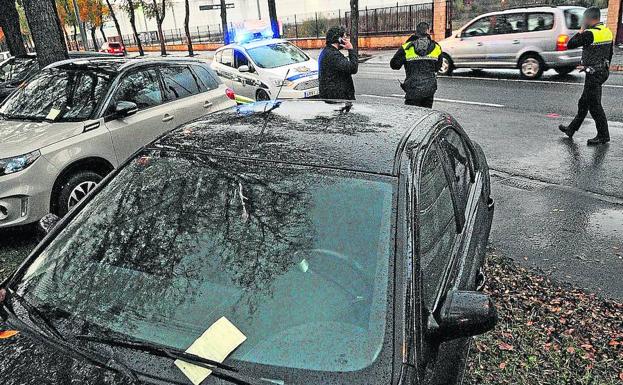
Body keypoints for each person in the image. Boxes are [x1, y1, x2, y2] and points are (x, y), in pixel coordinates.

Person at [559, 7, 614, 145]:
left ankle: (603, 135)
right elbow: (610, 53)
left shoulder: (590, 33)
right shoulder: (607, 32)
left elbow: (570, 44)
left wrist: (581, 29)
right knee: (584, 103)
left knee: (594, 106)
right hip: (601, 71)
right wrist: (602, 66)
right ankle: (571, 129)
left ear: (589, 19)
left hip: (594, 74)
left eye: (584, 19)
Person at [390, 22, 442, 108]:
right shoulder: (437, 47)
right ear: (428, 32)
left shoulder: (406, 47)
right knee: (426, 116)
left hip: (413, 89)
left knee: (411, 117)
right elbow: (437, 67)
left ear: (416, 32)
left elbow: (394, 65)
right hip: (429, 90)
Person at [318, 26, 358, 100]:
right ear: (339, 39)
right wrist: (351, 50)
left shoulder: (327, 52)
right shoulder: (333, 55)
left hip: (333, 97)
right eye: (344, 37)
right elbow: (353, 68)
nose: (346, 39)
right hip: (338, 100)